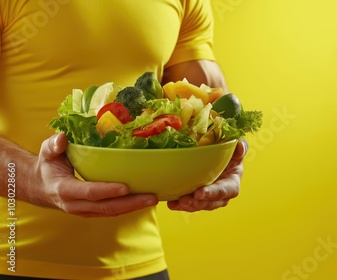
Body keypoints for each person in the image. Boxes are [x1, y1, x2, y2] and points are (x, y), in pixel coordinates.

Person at [0, 0, 246, 279]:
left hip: (143, 263)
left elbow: (212, 107)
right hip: (16, 259)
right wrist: (35, 180)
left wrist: (228, 158)